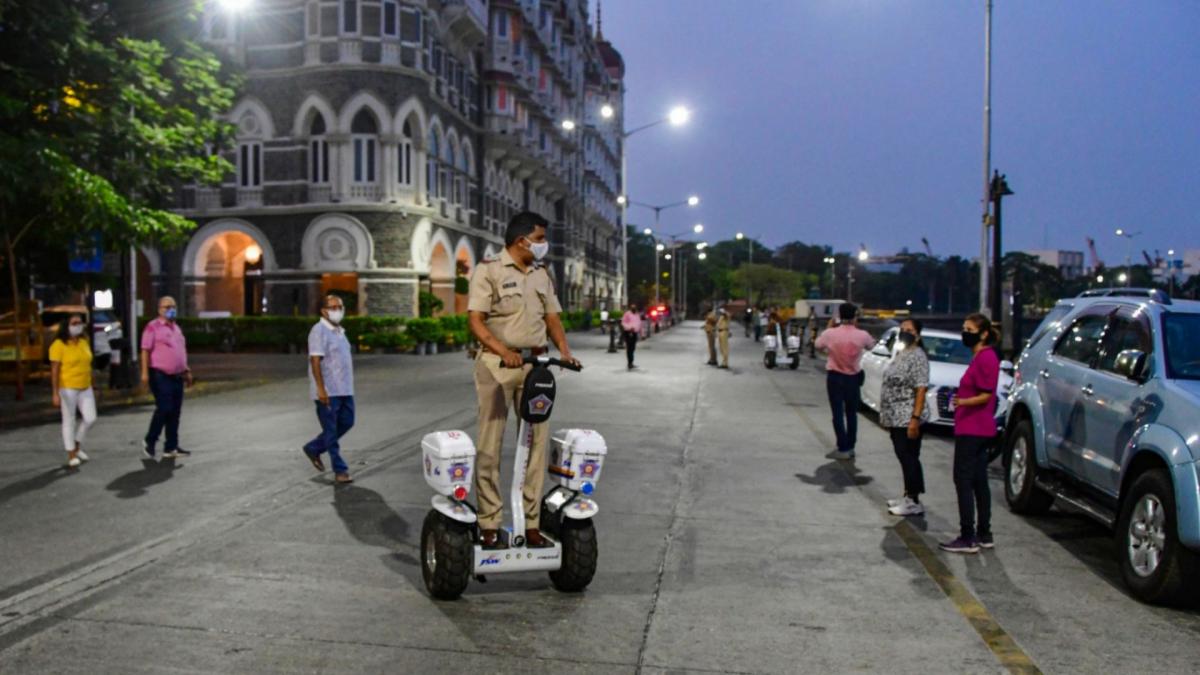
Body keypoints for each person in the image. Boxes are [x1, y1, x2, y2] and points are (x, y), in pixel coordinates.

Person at [468, 211, 581, 550]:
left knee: (534, 444)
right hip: (497, 364)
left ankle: (530, 524)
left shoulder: (541, 274)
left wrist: (565, 350)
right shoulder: (488, 270)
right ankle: (489, 522)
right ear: (522, 241)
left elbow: (552, 317)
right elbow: (476, 320)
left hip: (536, 365)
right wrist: (503, 350)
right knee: (490, 444)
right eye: (541, 239)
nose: (545, 245)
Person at [940, 313, 1002, 554]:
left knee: (963, 480)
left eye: (969, 328)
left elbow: (987, 393)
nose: (965, 332)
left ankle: (968, 536)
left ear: (983, 333)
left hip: (973, 428)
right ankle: (984, 533)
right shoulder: (980, 357)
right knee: (978, 481)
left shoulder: (986, 358)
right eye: (963, 327)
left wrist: (962, 401)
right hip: (975, 427)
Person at [303, 294, 355, 484]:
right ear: (324, 311)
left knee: (348, 422)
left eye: (340, 306)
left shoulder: (340, 331)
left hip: (345, 389)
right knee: (331, 431)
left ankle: (314, 447)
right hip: (328, 390)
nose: (338, 310)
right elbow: (315, 360)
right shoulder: (318, 331)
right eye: (333, 307)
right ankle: (340, 470)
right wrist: (321, 388)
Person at [814, 303, 876, 460]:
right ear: (855, 316)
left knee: (837, 413)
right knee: (851, 414)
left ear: (839, 316)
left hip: (835, 377)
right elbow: (872, 346)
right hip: (853, 378)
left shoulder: (830, 333)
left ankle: (842, 447)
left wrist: (829, 326)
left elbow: (817, 346)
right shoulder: (862, 335)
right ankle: (851, 446)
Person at [881, 319, 930, 516]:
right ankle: (908, 494)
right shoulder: (903, 352)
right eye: (902, 329)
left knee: (908, 456)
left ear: (917, 334)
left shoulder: (918, 356)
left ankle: (913, 499)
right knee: (904, 456)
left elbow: (921, 388)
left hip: (907, 415)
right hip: (895, 415)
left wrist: (914, 419)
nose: (904, 332)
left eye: (909, 330)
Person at [140, 296, 193, 460]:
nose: (171, 309)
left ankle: (171, 446)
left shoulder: (176, 328)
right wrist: (144, 373)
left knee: (175, 412)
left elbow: (180, 352)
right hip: (160, 374)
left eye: (173, 306)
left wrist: (186, 370)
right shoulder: (152, 327)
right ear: (159, 309)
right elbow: (145, 350)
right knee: (164, 408)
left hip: (177, 375)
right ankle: (150, 440)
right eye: (167, 306)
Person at [49, 313, 96, 469]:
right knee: (69, 420)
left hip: (85, 386)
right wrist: (55, 392)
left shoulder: (84, 341)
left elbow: (88, 364)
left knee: (90, 418)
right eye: (74, 323)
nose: (77, 326)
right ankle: (71, 454)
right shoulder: (58, 345)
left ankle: (76, 445)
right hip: (67, 387)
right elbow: (55, 370)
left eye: (79, 323)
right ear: (66, 326)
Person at [621, 303, 642, 369]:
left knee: (633, 348)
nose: (634, 309)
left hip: (635, 333)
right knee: (629, 348)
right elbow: (623, 322)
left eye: (635, 308)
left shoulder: (637, 315)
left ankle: (631, 362)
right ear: (630, 308)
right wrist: (629, 327)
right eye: (632, 308)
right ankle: (629, 363)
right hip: (628, 332)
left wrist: (642, 334)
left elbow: (640, 324)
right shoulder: (627, 314)